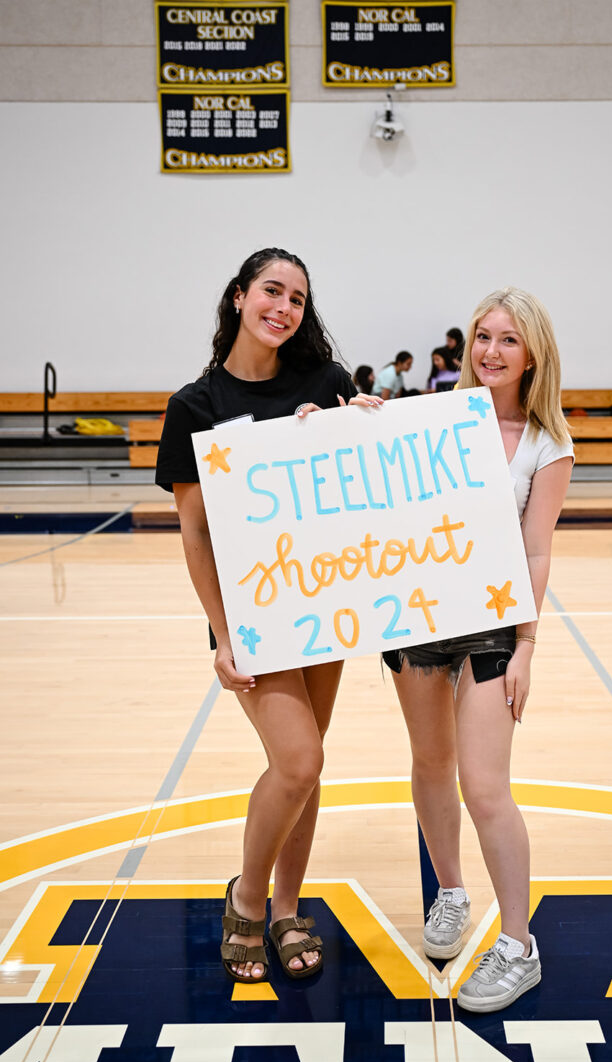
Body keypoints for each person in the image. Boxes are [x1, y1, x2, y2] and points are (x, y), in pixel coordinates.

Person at [154, 247, 380, 985]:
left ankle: (288, 908)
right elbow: (194, 533)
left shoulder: (328, 383)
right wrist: (222, 635)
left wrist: (363, 429)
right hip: (256, 615)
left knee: (305, 767)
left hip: (327, 601)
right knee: (300, 759)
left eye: (296, 299)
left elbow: (367, 487)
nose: (283, 308)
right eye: (271, 292)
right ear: (240, 296)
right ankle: (247, 901)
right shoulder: (196, 405)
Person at [382, 287, 573, 1012]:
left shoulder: (545, 443)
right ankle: (452, 895)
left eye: (508, 341)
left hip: (494, 628)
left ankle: (519, 946)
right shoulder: (428, 420)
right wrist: (333, 426)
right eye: (482, 337)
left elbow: (535, 548)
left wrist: (526, 647)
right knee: (430, 762)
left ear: (533, 356)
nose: (491, 352)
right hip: (418, 619)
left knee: (486, 786)